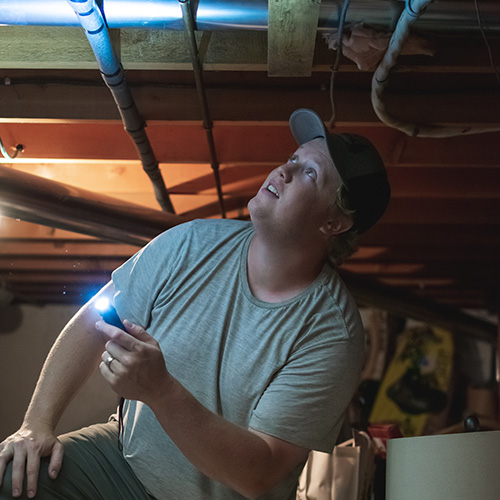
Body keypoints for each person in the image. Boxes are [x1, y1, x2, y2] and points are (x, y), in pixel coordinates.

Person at [0, 108, 390, 500]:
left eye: (310, 173)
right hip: (123, 461)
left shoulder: (331, 334)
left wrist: (161, 391)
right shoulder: (192, 243)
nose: (283, 171)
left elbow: (260, 472)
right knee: (14, 475)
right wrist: (36, 424)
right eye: (293, 159)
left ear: (335, 223)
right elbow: (94, 321)